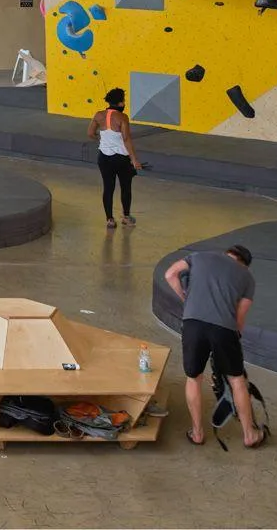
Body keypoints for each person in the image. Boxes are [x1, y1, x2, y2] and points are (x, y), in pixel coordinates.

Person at [164, 244, 265, 449]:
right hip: (224, 328)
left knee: (193, 378)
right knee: (236, 380)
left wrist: (187, 299)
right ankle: (249, 435)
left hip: (193, 324)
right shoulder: (247, 278)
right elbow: (239, 319)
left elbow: (170, 274)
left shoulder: (200, 256)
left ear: (227, 254)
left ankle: (198, 433)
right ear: (245, 265)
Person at [87, 86, 143, 228]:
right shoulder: (122, 117)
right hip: (121, 159)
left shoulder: (98, 115)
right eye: (123, 101)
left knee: (108, 187)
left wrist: (103, 139)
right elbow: (126, 139)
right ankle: (126, 217)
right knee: (125, 187)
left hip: (104, 158)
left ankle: (110, 220)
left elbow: (90, 133)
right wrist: (134, 159)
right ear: (120, 103)